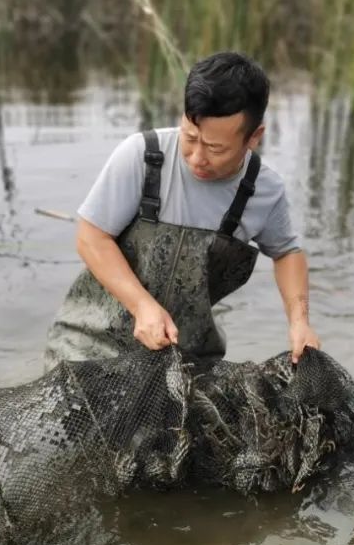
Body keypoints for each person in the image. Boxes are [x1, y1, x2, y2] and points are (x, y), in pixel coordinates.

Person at [43, 51, 319, 372]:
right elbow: (91, 238)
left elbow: (287, 253)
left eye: (215, 148)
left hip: (183, 357)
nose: (197, 157)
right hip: (90, 343)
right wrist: (142, 305)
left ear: (254, 137)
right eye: (190, 137)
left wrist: (300, 323)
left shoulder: (264, 189)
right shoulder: (141, 157)